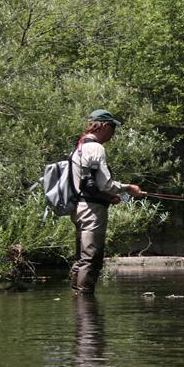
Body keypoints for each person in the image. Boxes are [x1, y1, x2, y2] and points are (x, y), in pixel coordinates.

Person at [69, 109, 145, 294]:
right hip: (91, 211)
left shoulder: (78, 147)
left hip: (78, 207)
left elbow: (88, 183)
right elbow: (105, 183)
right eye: (112, 127)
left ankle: (78, 298)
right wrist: (128, 188)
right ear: (103, 126)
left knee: (82, 257)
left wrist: (108, 197)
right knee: (91, 257)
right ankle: (84, 302)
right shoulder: (95, 148)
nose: (113, 133)